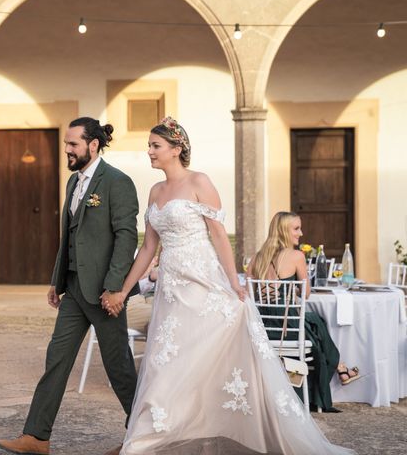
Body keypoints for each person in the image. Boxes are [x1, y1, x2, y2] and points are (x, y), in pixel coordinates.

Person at [108, 117, 354, 455]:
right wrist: (124, 290)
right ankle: (149, 438)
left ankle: (209, 430)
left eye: (155, 146)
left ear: (177, 149)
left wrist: (233, 283)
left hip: (204, 284)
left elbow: (219, 237)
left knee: (208, 356)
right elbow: (149, 248)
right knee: (165, 363)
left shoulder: (199, 181)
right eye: (149, 145)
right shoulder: (155, 191)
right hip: (171, 290)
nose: (148, 152)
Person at [0, 117, 140, 455]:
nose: (67, 150)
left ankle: (144, 435)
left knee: (118, 368)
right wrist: (57, 280)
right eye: (66, 144)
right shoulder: (73, 183)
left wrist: (115, 288)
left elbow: (126, 237)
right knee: (56, 359)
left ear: (93, 145)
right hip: (74, 290)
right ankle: (36, 437)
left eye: (73, 144)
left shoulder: (117, 182)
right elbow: (70, 235)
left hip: (105, 294)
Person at [248, 212, 360, 412]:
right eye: (296, 228)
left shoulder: (257, 258)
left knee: (315, 322)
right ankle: (340, 368)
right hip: (287, 327)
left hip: (263, 328)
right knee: (317, 322)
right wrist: (293, 288)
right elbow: (306, 293)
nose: (301, 233)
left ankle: (341, 368)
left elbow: (251, 292)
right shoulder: (297, 256)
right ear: (283, 231)